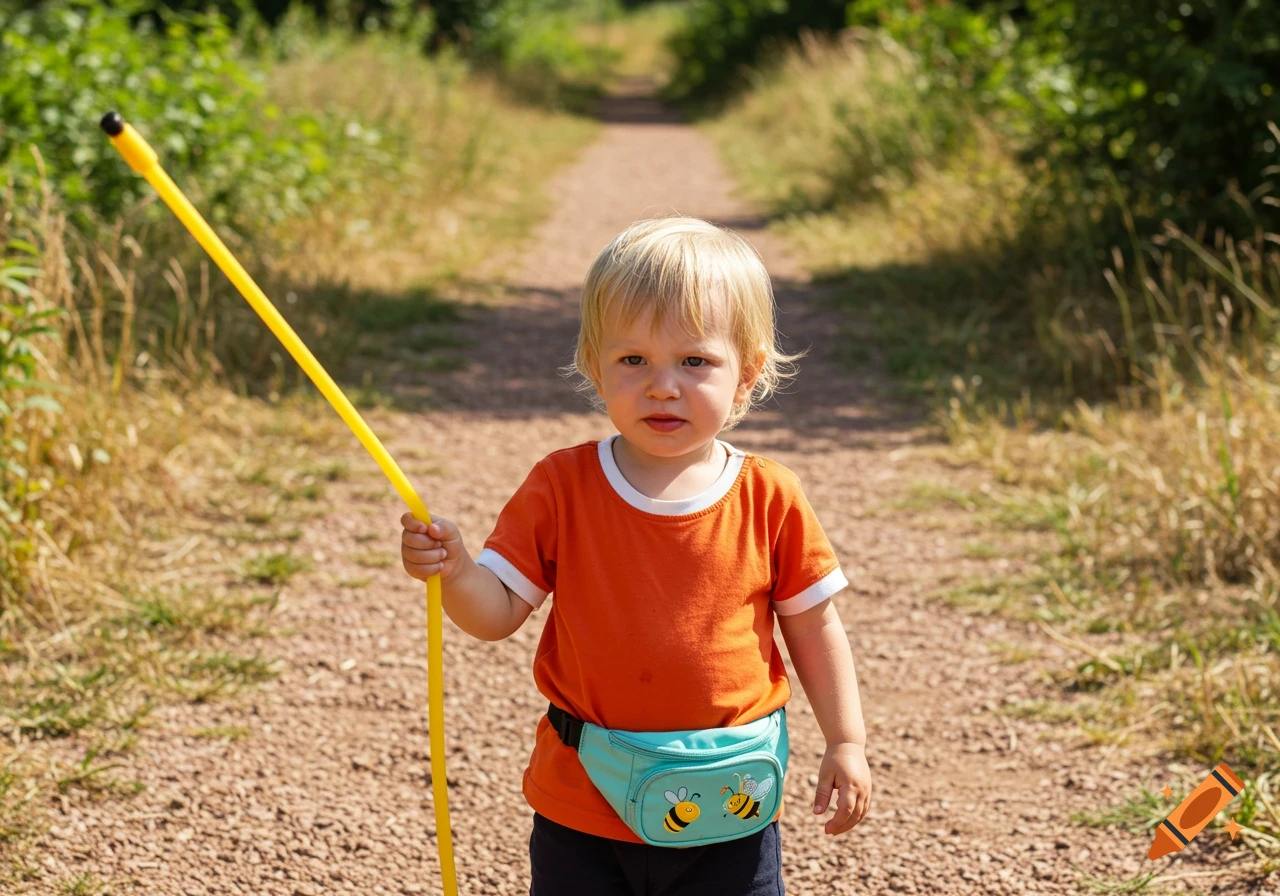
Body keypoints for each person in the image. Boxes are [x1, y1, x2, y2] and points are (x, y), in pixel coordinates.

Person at [400, 216, 871, 894]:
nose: (662, 386)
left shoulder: (770, 496)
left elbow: (814, 628)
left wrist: (845, 740)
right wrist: (457, 572)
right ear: (595, 366)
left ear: (747, 373)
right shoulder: (561, 487)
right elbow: (496, 613)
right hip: (584, 802)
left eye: (694, 361)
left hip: (729, 802)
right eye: (633, 361)